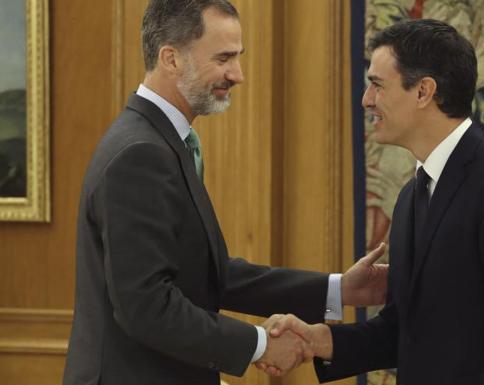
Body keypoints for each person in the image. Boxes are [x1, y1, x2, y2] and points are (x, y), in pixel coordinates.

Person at [62, 1, 389, 385]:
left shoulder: (161, 142)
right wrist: (260, 344)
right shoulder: (140, 153)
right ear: (170, 58)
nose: (238, 75)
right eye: (224, 58)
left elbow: (208, 275)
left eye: (238, 57)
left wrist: (338, 289)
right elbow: (145, 306)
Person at [263, 19, 484, 385]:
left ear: (423, 92)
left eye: (377, 86)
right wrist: (316, 341)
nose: (366, 100)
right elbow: (404, 332)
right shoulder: (411, 196)